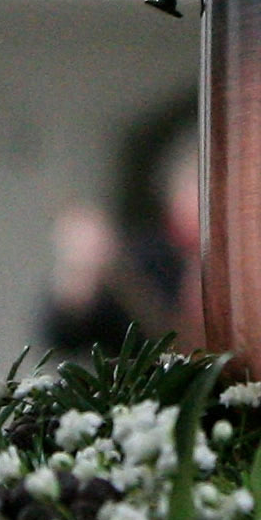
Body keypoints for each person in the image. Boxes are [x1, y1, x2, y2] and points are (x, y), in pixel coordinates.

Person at [42, 88, 198, 351]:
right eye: (195, 182)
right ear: (172, 192)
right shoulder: (144, 257)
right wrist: (79, 269)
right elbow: (64, 335)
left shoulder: (248, 257)